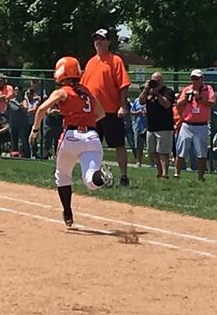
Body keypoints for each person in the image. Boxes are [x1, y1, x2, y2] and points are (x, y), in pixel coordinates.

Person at [29, 56, 113, 227]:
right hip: (92, 137)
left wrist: (35, 129)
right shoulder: (86, 91)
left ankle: (67, 212)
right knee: (90, 181)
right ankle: (101, 176)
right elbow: (101, 114)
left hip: (71, 136)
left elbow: (42, 109)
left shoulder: (62, 91)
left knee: (63, 176)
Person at [80, 29, 132, 186]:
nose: (98, 42)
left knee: (118, 144)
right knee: (91, 145)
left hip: (111, 111)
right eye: (96, 39)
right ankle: (95, 176)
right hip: (93, 113)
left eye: (102, 39)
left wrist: (122, 106)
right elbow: (84, 87)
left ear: (109, 42)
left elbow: (123, 85)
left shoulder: (115, 60)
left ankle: (124, 176)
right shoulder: (90, 62)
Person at [175, 69, 216, 180]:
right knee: (181, 150)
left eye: (197, 79)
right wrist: (185, 99)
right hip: (187, 124)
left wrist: (199, 98)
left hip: (201, 126)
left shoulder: (208, 89)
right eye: (192, 78)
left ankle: (200, 176)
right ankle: (177, 173)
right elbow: (178, 105)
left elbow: (211, 104)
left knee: (201, 153)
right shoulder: (187, 89)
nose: (194, 81)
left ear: (202, 79)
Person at [139, 72, 175, 178]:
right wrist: (146, 89)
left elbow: (167, 105)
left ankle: (165, 174)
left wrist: (158, 93)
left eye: (158, 80)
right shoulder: (148, 91)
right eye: (154, 80)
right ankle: (159, 172)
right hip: (151, 127)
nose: (156, 82)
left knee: (163, 152)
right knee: (153, 151)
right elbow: (141, 101)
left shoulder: (168, 91)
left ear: (162, 81)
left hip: (164, 127)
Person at [7, 86, 30, 157]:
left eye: (17, 90)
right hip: (13, 124)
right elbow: (7, 111)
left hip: (22, 124)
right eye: (15, 90)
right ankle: (15, 154)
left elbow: (26, 110)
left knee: (24, 140)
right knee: (14, 140)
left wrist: (20, 106)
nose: (16, 92)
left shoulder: (24, 100)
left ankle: (26, 155)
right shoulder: (11, 101)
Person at [129, 90, 147, 167]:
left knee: (152, 147)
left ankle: (153, 162)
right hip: (139, 126)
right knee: (139, 146)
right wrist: (137, 112)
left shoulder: (150, 100)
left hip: (149, 126)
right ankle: (138, 161)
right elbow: (131, 111)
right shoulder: (137, 100)